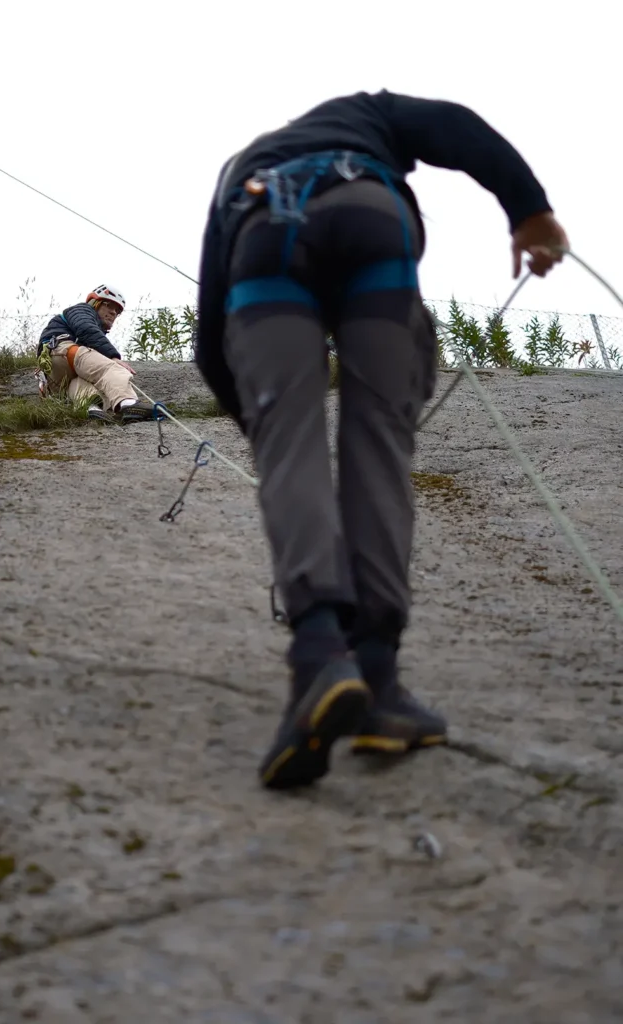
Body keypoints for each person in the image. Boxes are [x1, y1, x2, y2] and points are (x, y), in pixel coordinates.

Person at [193, 90, 569, 790]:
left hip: (263, 232)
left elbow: (210, 336)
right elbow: (455, 127)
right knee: (381, 447)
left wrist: (270, 437)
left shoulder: (238, 167)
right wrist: (529, 210)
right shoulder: (367, 115)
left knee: (291, 442)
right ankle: (380, 682)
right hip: (371, 217)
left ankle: (319, 660)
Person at [37, 284, 154, 423]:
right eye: (108, 305)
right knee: (109, 367)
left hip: (53, 374)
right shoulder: (82, 310)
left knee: (77, 383)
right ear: (95, 303)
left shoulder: (89, 331)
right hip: (63, 350)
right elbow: (86, 328)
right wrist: (113, 357)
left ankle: (91, 408)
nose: (113, 312)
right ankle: (128, 403)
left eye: (117, 311)